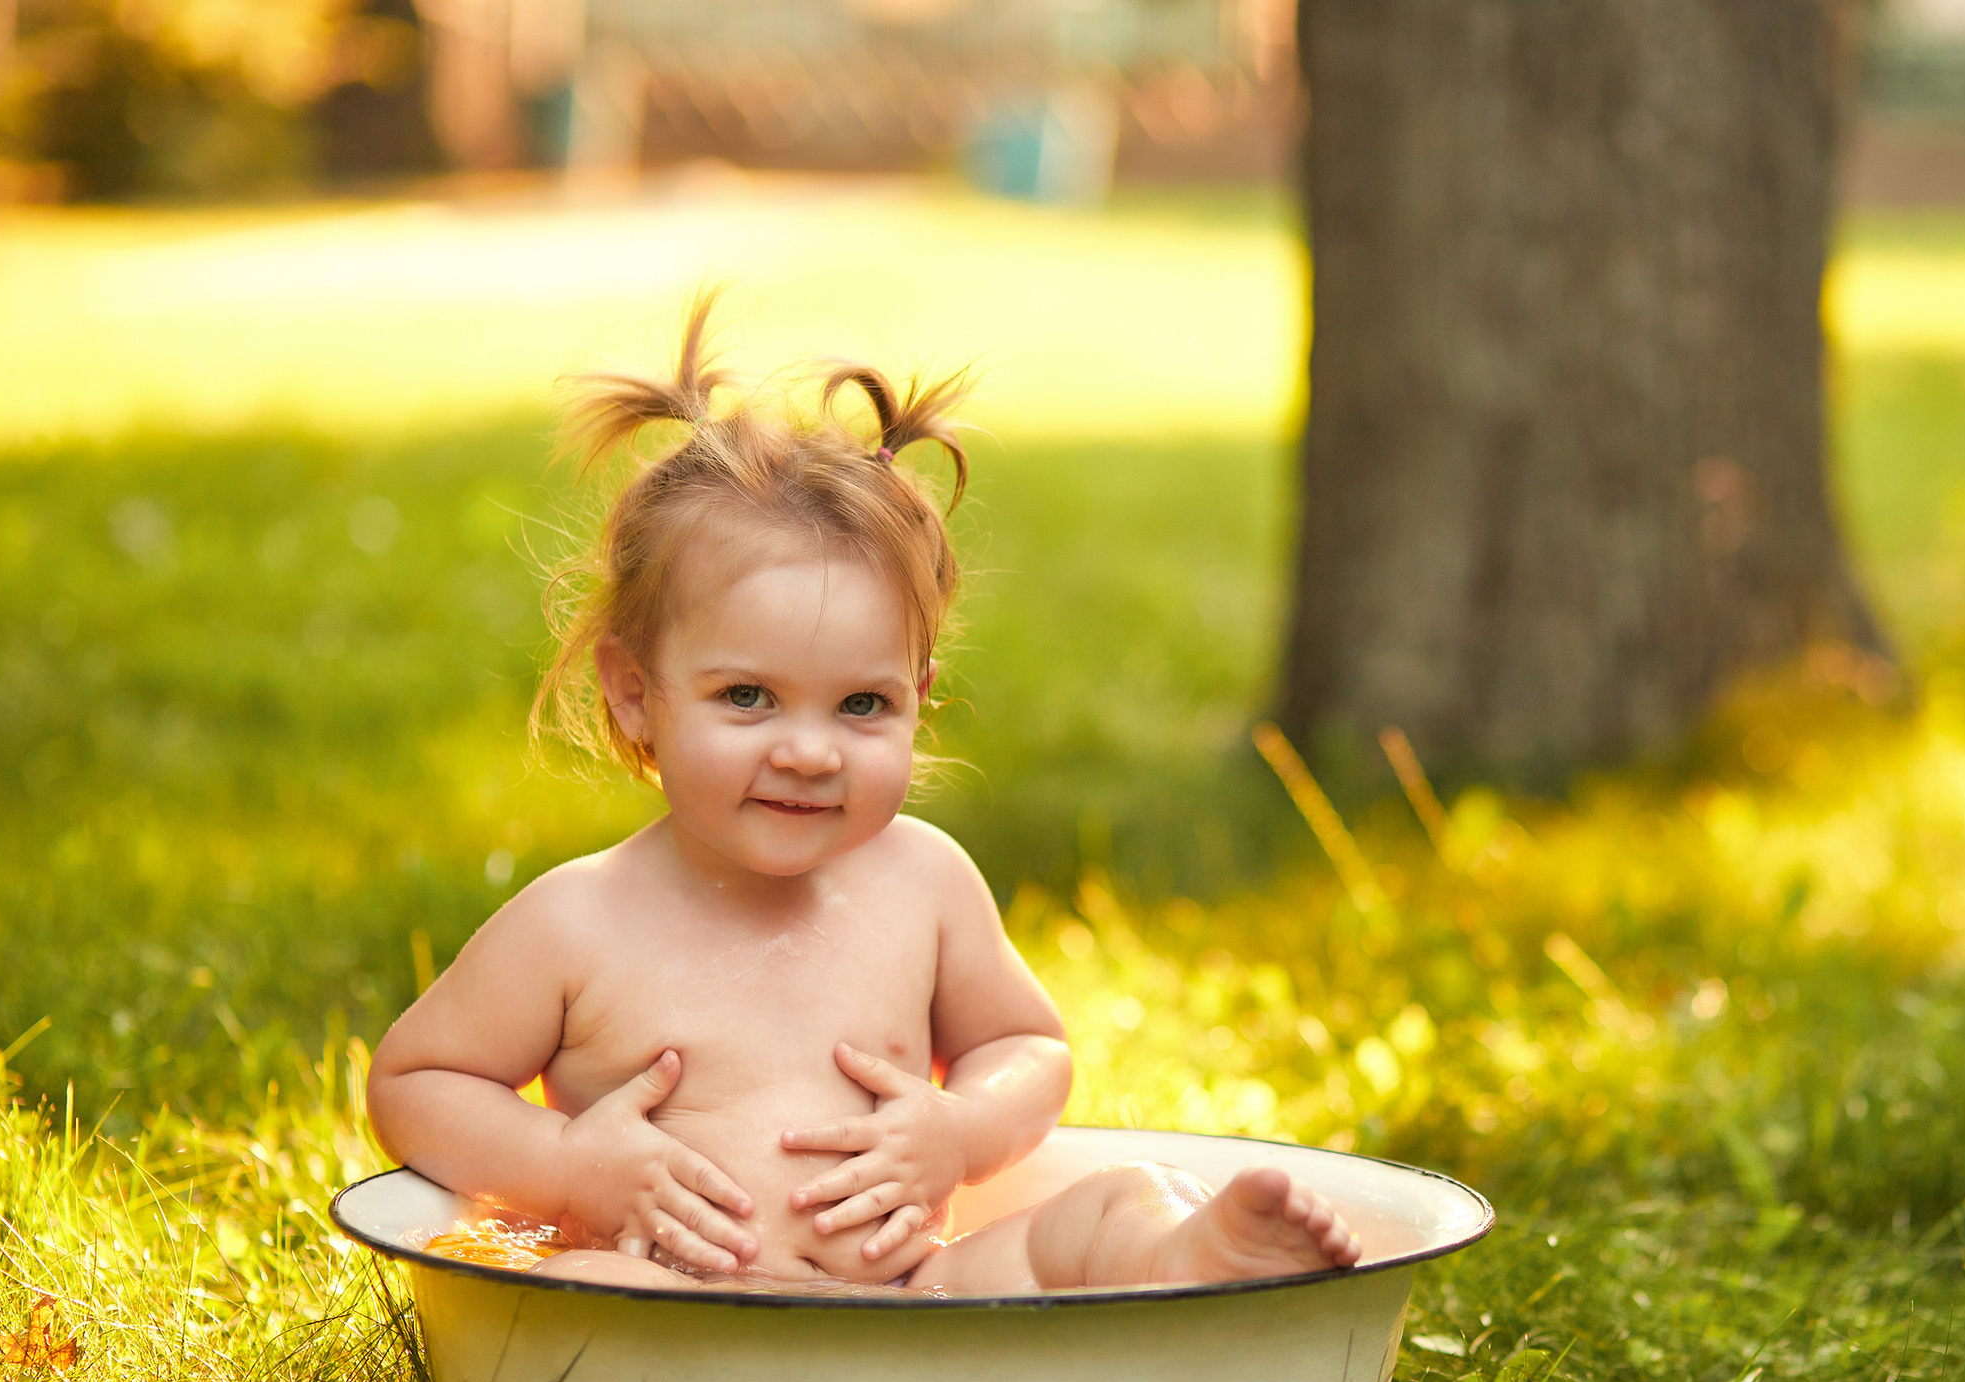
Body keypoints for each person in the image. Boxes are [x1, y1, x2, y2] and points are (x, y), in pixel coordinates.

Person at [365, 299, 1360, 1296]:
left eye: (860, 705)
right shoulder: (575, 921)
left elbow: (1026, 1047)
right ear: (634, 694)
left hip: (912, 1297)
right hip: (670, 1297)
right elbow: (416, 1083)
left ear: (918, 700)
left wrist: (959, 1131)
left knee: (1120, 1197)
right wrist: (566, 1166)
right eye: (746, 698)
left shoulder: (923, 882)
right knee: (612, 1290)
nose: (809, 752)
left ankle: (1186, 1261)